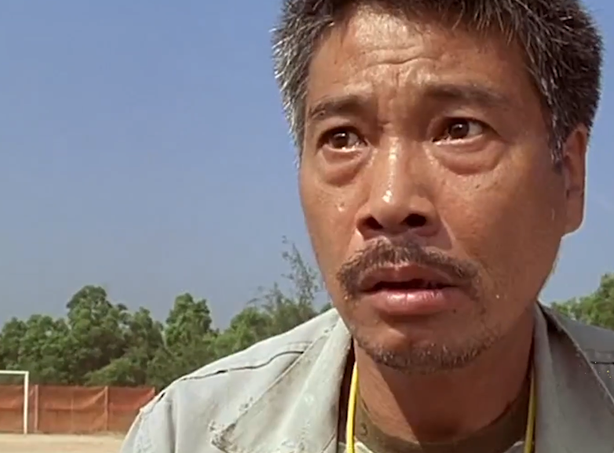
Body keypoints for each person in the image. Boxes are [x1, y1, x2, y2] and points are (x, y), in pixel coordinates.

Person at [121, 0, 614, 452]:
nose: (391, 202)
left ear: (570, 178)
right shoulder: (185, 434)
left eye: (459, 129)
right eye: (343, 138)